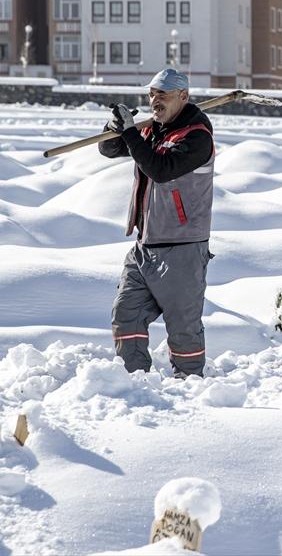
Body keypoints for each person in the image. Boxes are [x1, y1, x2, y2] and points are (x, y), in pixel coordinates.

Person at [98, 68, 216, 377]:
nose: (155, 101)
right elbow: (109, 149)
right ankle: (134, 381)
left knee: (183, 328)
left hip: (182, 246)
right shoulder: (153, 131)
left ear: (183, 97)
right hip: (144, 244)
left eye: (162, 95)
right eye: (152, 94)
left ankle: (190, 383)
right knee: (126, 315)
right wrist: (115, 129)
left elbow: (160, 169)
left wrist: (131, 134)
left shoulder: (197, 138)